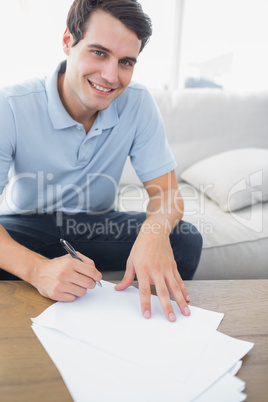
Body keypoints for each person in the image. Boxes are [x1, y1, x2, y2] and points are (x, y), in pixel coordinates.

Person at [0, 0, 202, 322]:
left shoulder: (138, 104)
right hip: (27, 227)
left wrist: (154, 231)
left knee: (185, 238)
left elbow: (168, 195)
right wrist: (37, 270)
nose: (110, 76)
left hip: (95, 225)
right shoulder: (10, 105)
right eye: (99, 52)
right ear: (68, 41)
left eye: (125, 62)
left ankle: (147, 326)